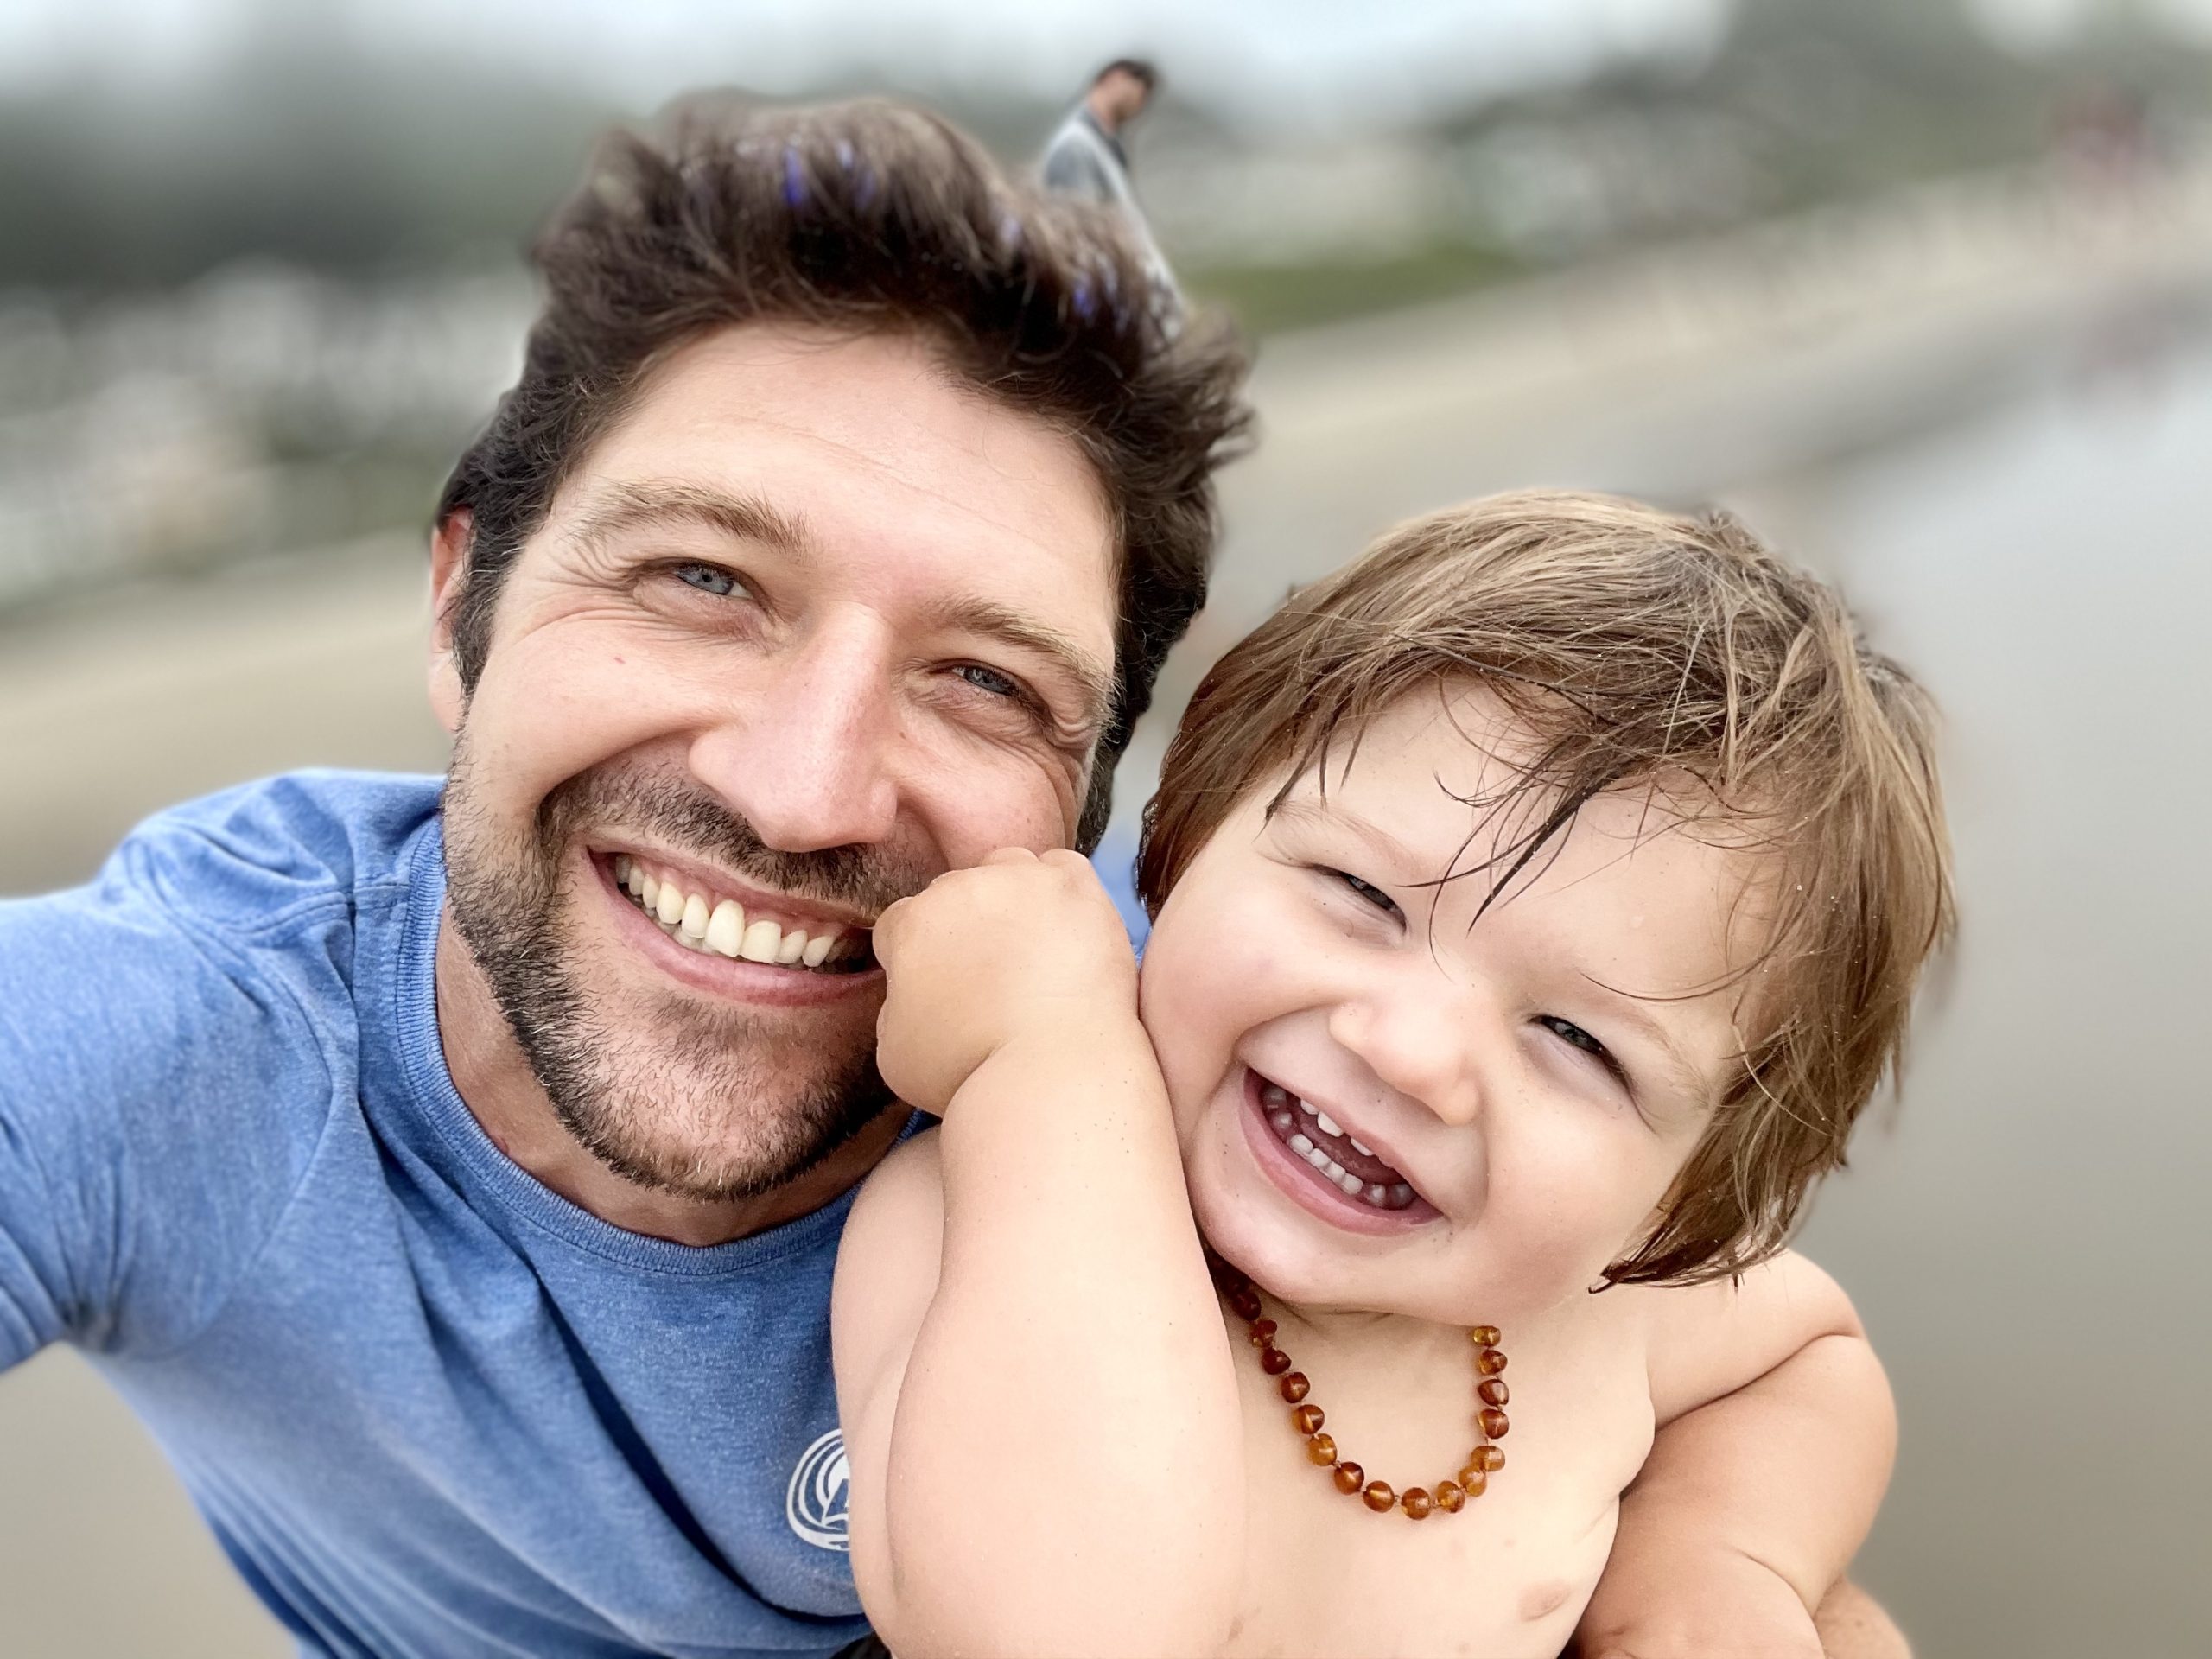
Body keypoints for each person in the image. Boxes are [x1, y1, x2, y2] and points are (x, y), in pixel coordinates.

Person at [0, 95, 1902, 1657]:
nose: (804, 789)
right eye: (702, 578)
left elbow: (1753, 1346)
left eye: (986, 680)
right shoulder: (180, 1053)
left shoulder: (1237, 1029)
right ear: (459, 597)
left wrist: (1716, 1572)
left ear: (1105, 804)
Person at [837, 492, 1949, 1658]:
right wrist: (1044, 1060)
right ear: (1191, 833)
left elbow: (1805, 1360)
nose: (1411, 1054)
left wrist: (1719, 1557)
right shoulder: (991, 1213)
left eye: (1577, 1041)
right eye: (1361, 895)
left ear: (1682, 1204)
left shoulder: (1603, 1315)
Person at [1039, 57, 1180, 333]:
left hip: (1141, 312)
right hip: (1119, 319)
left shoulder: (1104, 148)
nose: (1142, 97)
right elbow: (1083, 241)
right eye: (1138, 83)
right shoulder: (1075, 146)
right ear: (1112, 78)